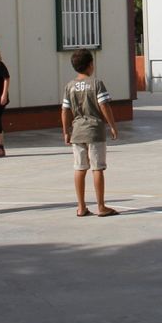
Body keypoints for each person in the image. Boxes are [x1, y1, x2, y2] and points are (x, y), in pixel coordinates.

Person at [62, 49, 119, 217]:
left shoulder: (69, 87)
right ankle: (101, 206)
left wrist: (66, 131)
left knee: (79, 168)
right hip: (94, 131)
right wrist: (113, 126)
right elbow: (104, 106)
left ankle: (81, 207)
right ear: (90, 65)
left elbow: (65, 111)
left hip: (77, 132)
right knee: (97, 168)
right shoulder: (96, 84)